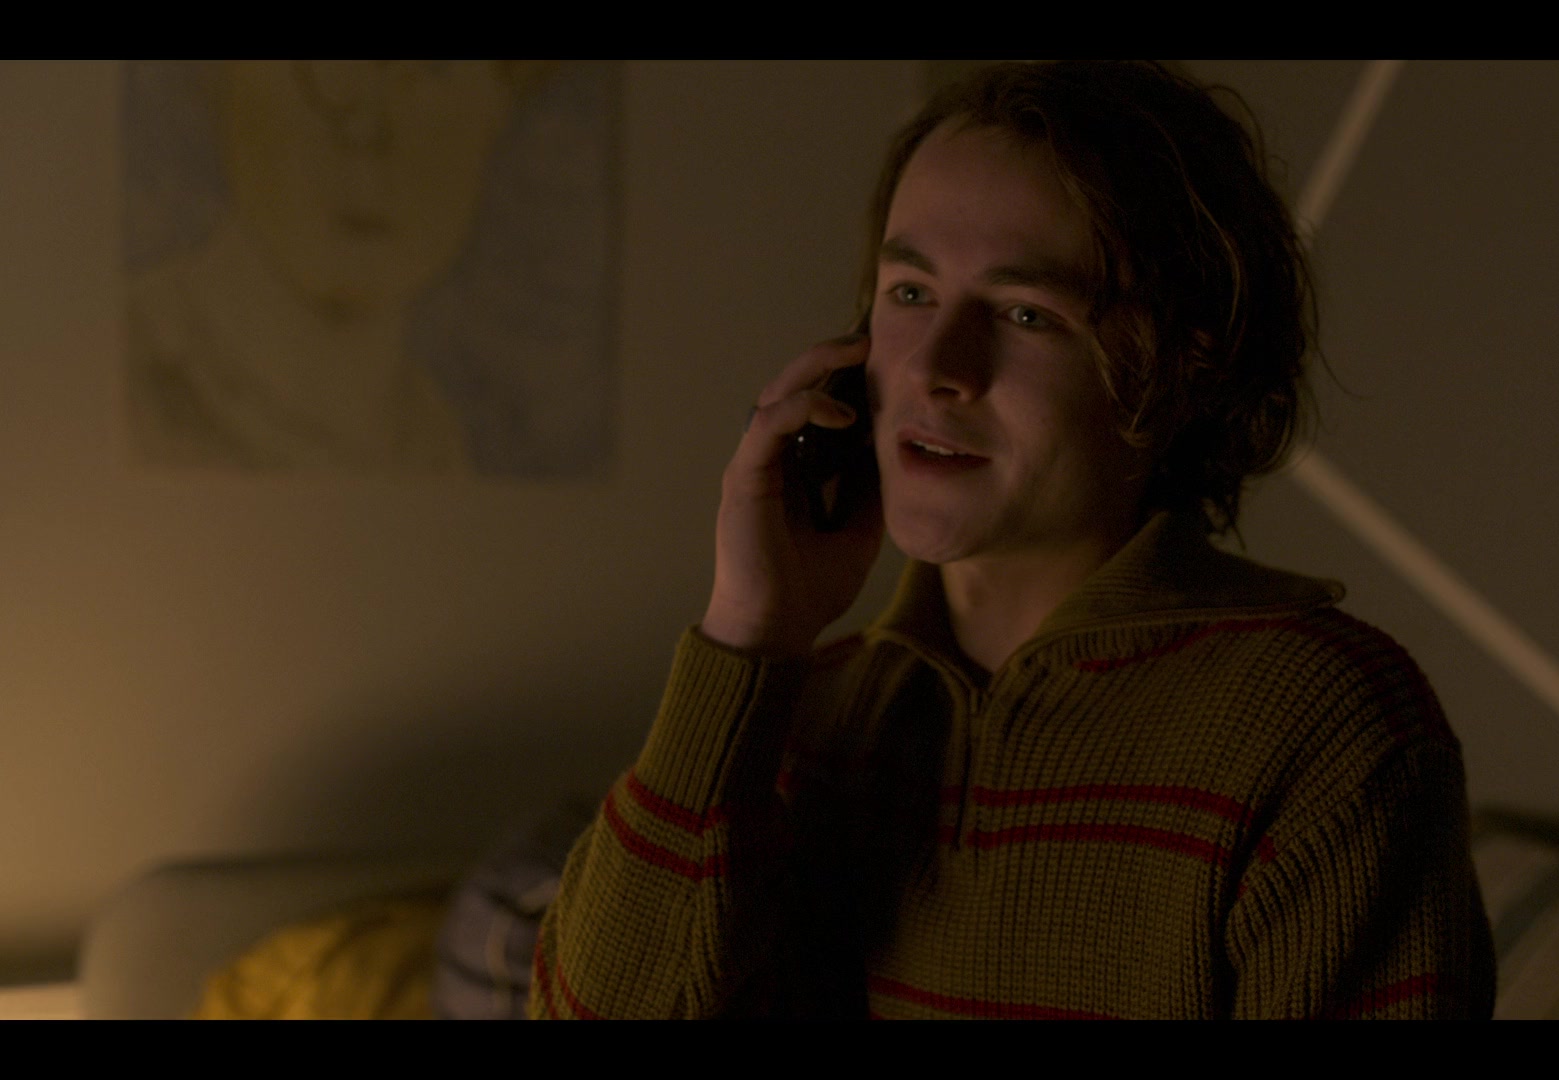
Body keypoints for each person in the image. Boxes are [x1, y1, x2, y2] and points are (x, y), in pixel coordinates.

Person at [531, 61, 1495, 1019]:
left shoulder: (1324, 728)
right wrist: (747, 631)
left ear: (1178, 369)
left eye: (1025, 313)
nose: (936, 367)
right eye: (910, 293)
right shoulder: (807, 711)